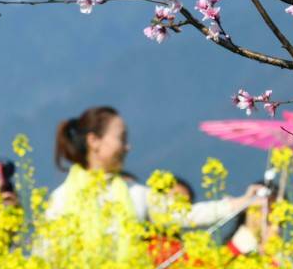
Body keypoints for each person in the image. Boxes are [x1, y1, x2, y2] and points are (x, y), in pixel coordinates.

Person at [46, 106, 261, 257]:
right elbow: (48, 255)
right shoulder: (61, 199)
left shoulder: (135, 193)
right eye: (121, 139)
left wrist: (241, 202)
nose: (127, 147)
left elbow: (186, 215)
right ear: (94, 141)